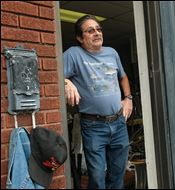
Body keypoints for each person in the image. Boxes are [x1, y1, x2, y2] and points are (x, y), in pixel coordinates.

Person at [63, 14, 133, 189]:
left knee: (118, 173)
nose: (97, 33)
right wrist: (66, 81)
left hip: (118, 123)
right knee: (97, 176)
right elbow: (52, 73)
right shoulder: (74, 54)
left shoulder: (112, 53)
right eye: (90, 30)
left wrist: (128, 98)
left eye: (99, 29)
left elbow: (123, 77)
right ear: (80, 38)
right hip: (93, 126)